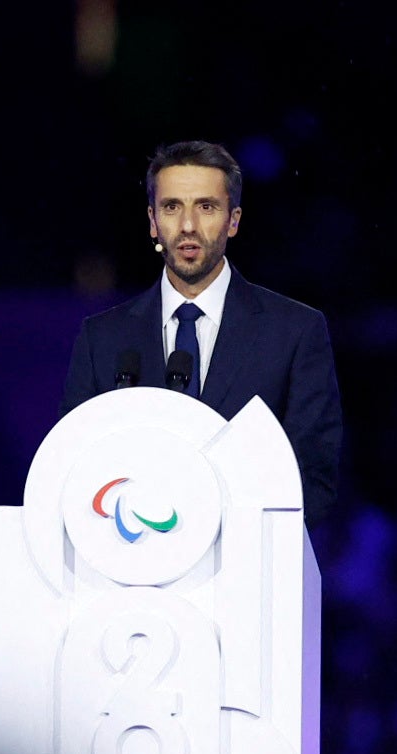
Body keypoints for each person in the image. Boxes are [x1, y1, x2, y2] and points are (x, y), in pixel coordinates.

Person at [59, 140, 342, 528]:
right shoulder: (102, 339)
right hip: (132, 573)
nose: (188, 225)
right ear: (152, 220)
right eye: (172, 207)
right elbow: (72, 471)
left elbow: (314, 480)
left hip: (248, 572)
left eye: (206, 207)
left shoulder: (293, 333)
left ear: (234, 219)